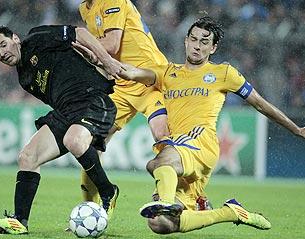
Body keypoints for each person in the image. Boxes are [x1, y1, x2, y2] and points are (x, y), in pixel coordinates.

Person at [116, 16, 305, 234]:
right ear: (186, 41)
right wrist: (98, 57)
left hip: (201, 142)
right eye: (194, 39)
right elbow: (130, 72)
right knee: (160, 224)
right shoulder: (167, 73)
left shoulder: (224, 73)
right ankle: (230, 213)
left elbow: (260, 103)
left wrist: (297, 129)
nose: (197, 46)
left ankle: (164, 200)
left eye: (204, 42)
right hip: (179, 151)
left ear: (213, 48)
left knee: (157, 164)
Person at [0, 24, 123, 234]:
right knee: (27, 157)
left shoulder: (36, 37)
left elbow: (80, 33)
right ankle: (20, 221)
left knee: (74, 140)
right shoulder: (25, 78)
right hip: (65, 111)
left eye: (4, 45)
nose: (2, 53)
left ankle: (107, 192)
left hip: (92, 99)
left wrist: (107, 61)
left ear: (15, 38)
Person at [78, 0, 212, 211]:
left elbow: (111, 44)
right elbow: (104, 54)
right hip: (121, 85)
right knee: (89, 142)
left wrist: (74, 42)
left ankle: (193, 196)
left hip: (150, 79)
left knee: (163, 135)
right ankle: (92, 208)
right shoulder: (85, 9)